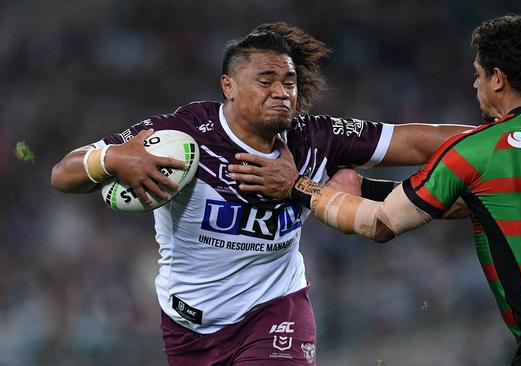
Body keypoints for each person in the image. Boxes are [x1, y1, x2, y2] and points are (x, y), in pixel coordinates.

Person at [50, 22, 470, 365]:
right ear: (228, 86)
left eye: (288, 81)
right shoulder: (180, 134)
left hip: (277, 309)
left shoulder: (315, 137)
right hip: (187, 326)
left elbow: (416, 141)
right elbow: (62, 173)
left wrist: (503, 135)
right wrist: (111, 161)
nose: (282, 92)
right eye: (266, 80)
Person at [229, 16, 521, 365]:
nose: (475, 87)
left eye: (478, 75)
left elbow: (381, 225)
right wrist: (362, 185)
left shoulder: (479, 148)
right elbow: (470, 204)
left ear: (498, 79)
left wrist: (297, 186)